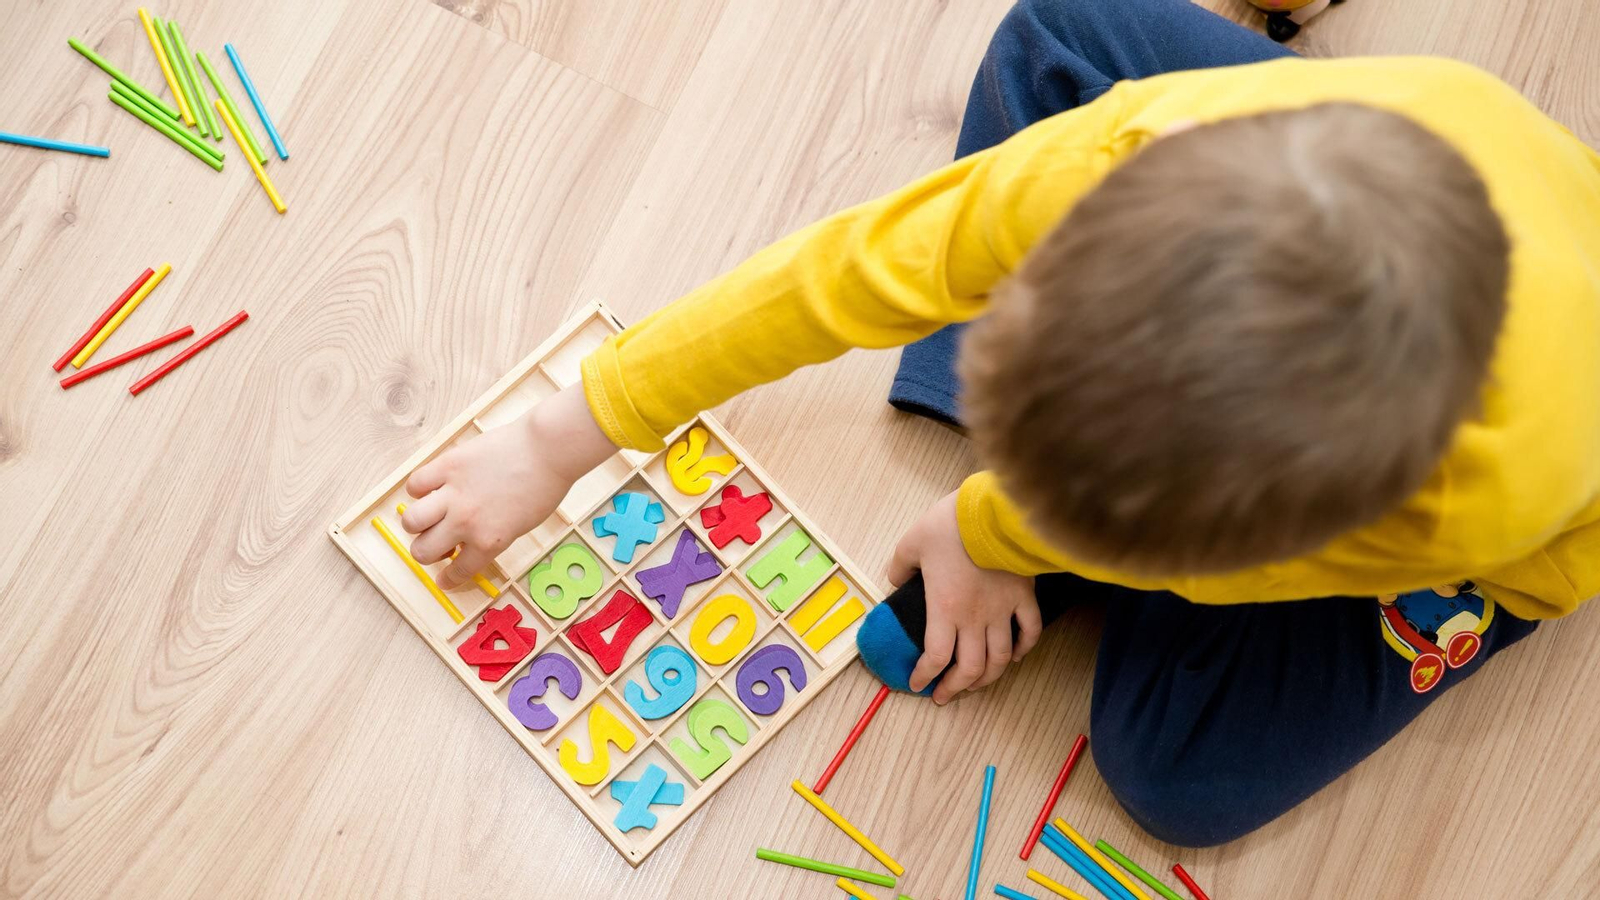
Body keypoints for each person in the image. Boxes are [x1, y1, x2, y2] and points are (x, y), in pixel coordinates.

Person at [399, 0, 1600, 846]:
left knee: (1173, 776)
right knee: (1058, 30)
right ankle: (1048, 538)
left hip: (1523, 525)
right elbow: (857, 268)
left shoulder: (1457, 490)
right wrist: (573, 427)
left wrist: (993, 531)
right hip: (1411, 183)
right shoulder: (1129, 154)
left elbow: (1216, 559)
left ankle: (1044, 555)